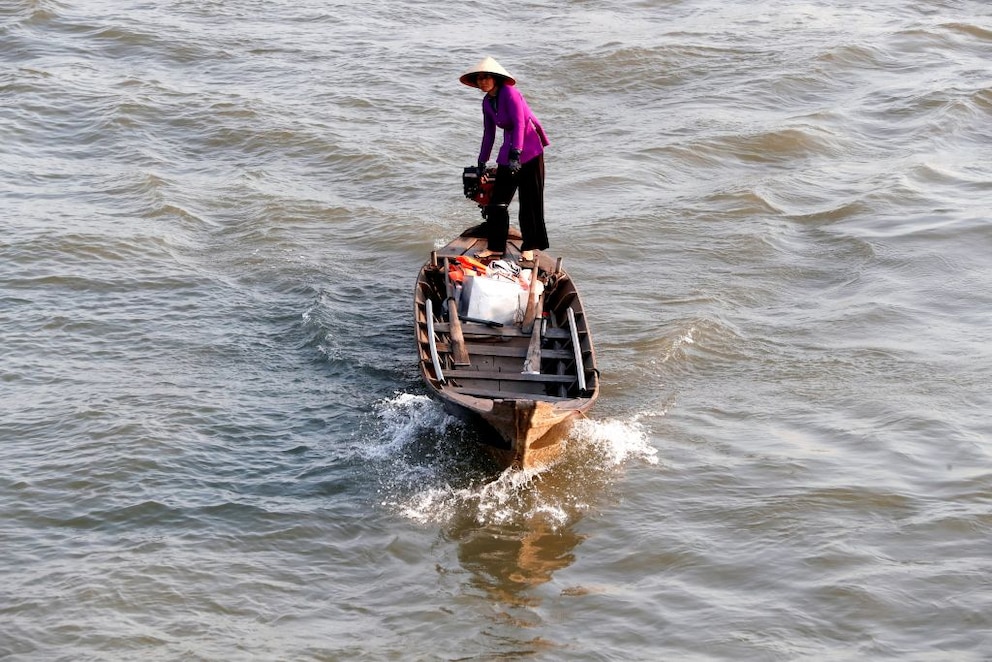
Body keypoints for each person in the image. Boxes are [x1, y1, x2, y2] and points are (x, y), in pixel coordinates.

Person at [459, 56, 550, 263]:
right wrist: (482, 161)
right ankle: (495, 246)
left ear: (496, 78)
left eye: (486, 77)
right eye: (479, 79)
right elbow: (488, 133)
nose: (482, 82)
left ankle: (530, 246)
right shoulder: (487, 102)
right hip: (509, 147)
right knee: (497, 203)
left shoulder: (510, 94)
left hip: (530, 148)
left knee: (530, 201)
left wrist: (516, 153)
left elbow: (520, 123)